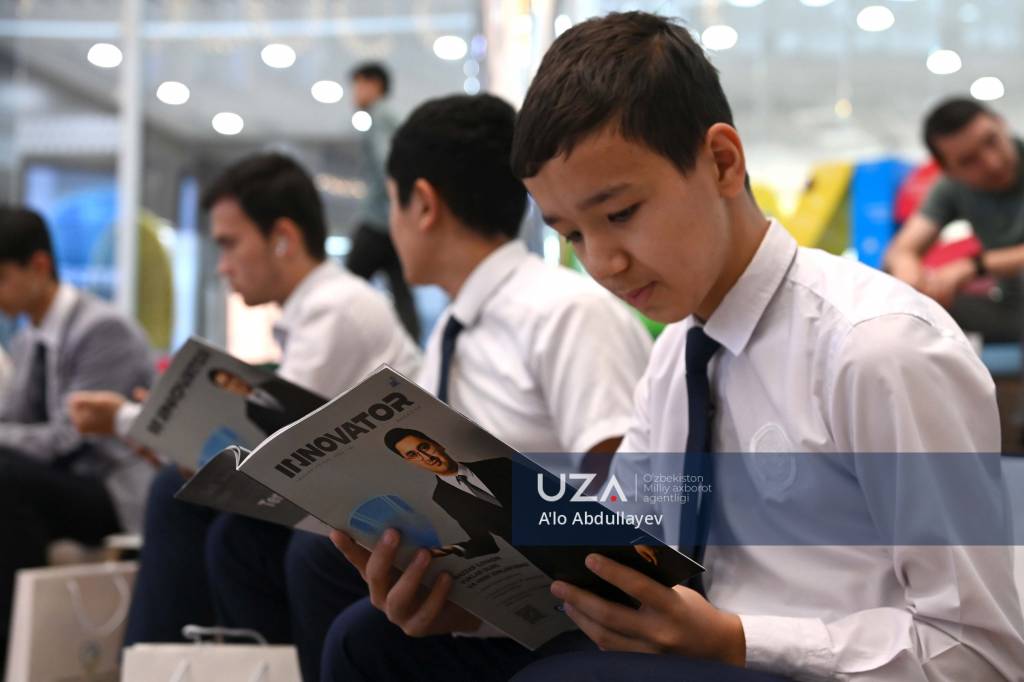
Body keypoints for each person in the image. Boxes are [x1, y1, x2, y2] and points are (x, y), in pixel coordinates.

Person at [328, 13, 1024, 682]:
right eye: (573, 235)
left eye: (621, 213)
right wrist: (475, 608)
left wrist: (735, 642)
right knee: (371, 643)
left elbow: (981, 654)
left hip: (809, 664)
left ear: (722, 162)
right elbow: (632, 560)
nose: (603, 263)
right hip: (693, 646)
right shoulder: (678, 356)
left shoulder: (878, 350)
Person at [207, 93, 653, 682]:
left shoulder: (565, 313)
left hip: (580, 613)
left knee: (336, 607)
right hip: (494, 587)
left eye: (390, 203)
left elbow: (629, 502)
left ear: (422, 204)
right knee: (331, 586)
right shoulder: (451, 328)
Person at [68, 153, 421, 646]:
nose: (222, 266)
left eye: (230, 244)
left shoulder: (336, 309)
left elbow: (274, 448)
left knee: (207, 514)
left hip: (379, 511)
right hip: (348, 503)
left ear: (283, 237)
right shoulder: (318, 309)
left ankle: (168, 661)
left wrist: (131, 419)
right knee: (196, 503)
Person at [0, 205, 154, 669]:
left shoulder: (102, 328)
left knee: (7, 480)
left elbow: (73, 438)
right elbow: (18, 424)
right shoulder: (28, 338)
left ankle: (14, 648)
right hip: (67, 481)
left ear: (39, 266)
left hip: (113, 486)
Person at [885, 98, 1024, 341]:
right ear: (948, 169)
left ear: (1001, 124)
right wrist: (913, 285)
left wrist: (973, 266)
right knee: (905, 310)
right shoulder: (951, 188)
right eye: (968, 161)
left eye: (991, 141)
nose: (993, 163)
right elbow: (901, 250)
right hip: (1011, 309)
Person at [345, 62, 420, 341]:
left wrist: (398, 210)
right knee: (401, 292)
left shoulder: (380, 115)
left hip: (379, 219)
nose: (354, 93)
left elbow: (387, 164)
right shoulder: (389, 115)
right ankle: (411, 353)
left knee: (345, 287)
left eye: (357, 85)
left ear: (374, 84)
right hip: (392, 221)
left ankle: (332, 341)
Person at [205, 367, 324, 437]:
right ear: (226, 390)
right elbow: (277, 436)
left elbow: (305, 397)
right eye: (227, 384)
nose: (234, 384)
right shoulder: (252, 414)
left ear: (236, 375)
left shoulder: (274, 384)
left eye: (231, 378)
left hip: (321, 416)